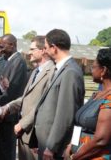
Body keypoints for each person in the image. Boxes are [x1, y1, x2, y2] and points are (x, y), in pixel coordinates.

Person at [1, 36, 55, 160]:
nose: (29, 52)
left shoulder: (52, 72)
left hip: (35, 137)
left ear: (43, 50)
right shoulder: (35, 72)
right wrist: (8, 107)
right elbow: (25, 98)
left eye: (32, 49)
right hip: (24, 134)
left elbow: (43, 104)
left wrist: (22, 124)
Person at [34, 29, 85, 160]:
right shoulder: (61, 69)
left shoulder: (70, 72)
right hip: (47, 143)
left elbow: (65, 114)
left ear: (54, 48)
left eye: (45, 47)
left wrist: (51, 147)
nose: (44, 51)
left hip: (54, 148)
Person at [64, 48, 111, 160]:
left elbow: (101, 139)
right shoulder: (96, 95)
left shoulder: (109, 99)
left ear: (103, 70)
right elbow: (80, 126)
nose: (91, 70)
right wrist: (71, 146)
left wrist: (76, 156)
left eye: (93, 67)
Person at [0, 34, 28, 160]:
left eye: (2, 46)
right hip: (2, 115)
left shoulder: (18, 62)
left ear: (11, 45)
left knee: (6, 152)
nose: (0, 50)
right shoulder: (9, 60)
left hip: (7, 117)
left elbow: (10, 92)